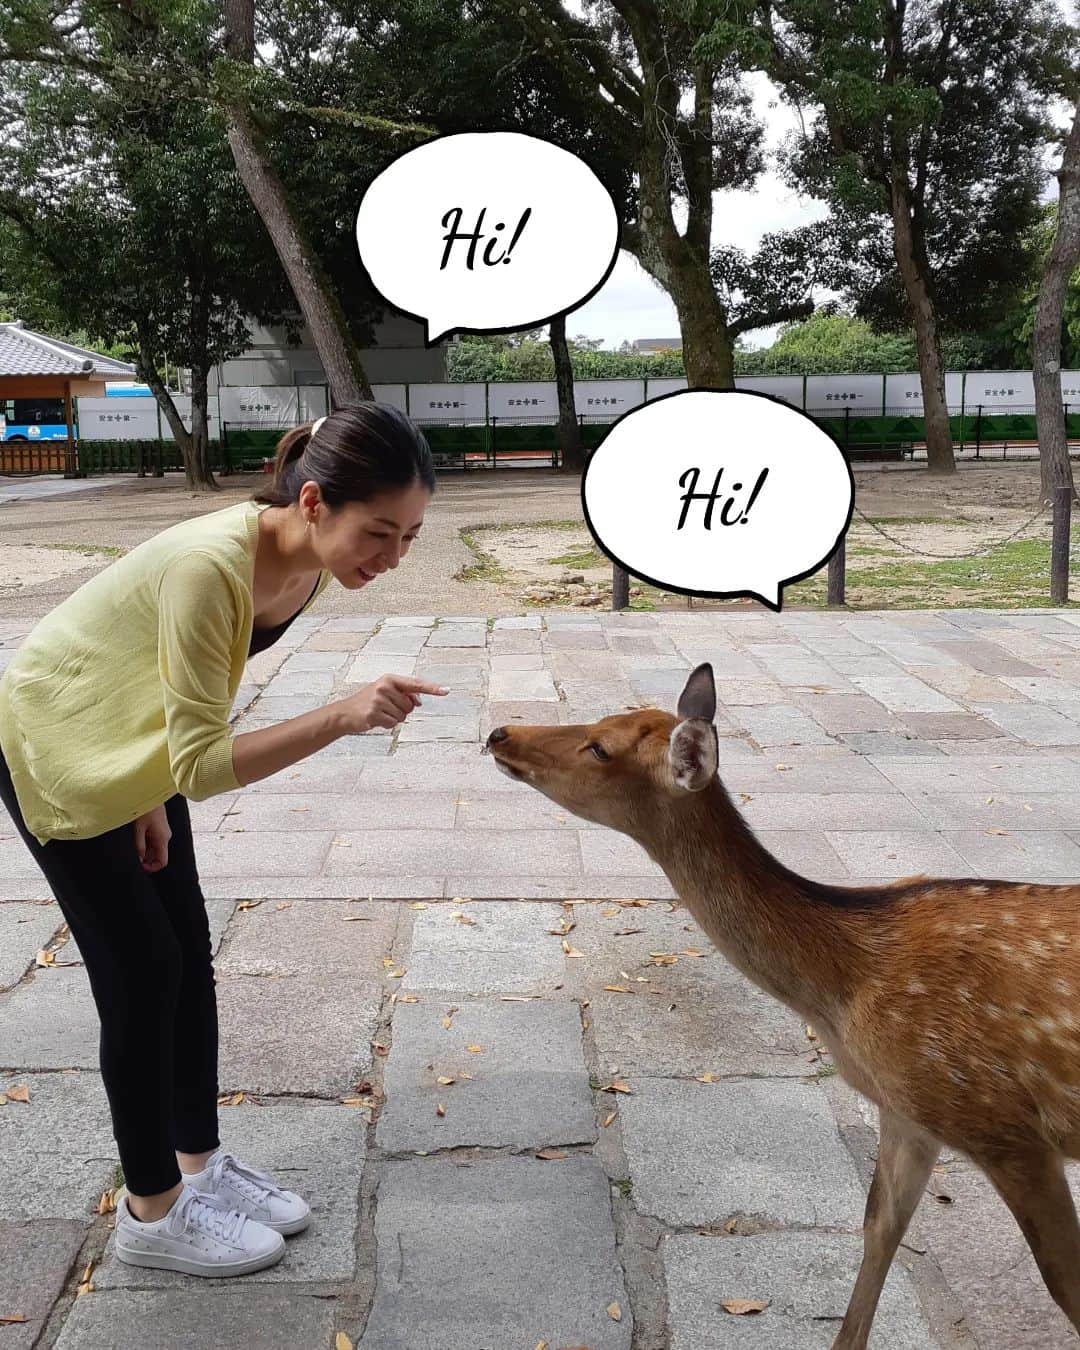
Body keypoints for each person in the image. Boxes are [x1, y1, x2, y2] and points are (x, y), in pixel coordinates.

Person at [0, 402, 447, 1278]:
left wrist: (150, 792)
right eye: (379, 533)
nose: (392, 560)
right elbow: (206, 762)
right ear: (313, 501)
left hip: (129, 749)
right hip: (52, 742)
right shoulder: (215, 565)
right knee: (141, 969)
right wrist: (341, 714)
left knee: (187, 954)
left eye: (412, 538)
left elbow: (179, 702)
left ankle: (197, 1167)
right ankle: (152, 1212)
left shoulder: (306, 568)